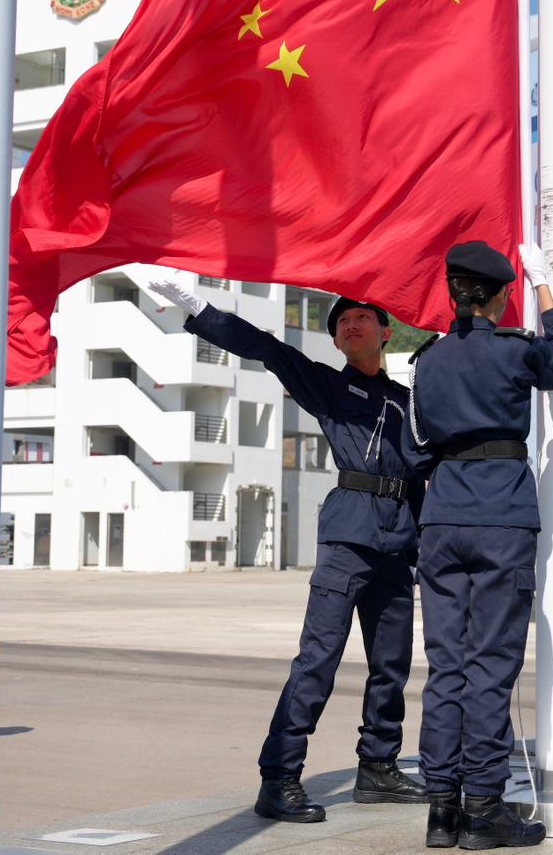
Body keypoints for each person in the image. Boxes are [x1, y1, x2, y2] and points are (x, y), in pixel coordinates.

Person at [147, 279, 429, 824]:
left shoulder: (409, 403)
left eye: (362, 317)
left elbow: (426, 471)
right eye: (342, 321)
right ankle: (279, 777)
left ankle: (378, 767)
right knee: (318, 660)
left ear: (387, 332)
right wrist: (200, 309)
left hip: (397, 543)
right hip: (348, 538)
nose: (350, 324)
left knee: (392, 665)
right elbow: (268, 349)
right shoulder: (327, 386)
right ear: (337, 341)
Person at [406, 240, 553, 849]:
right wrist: (547, 293)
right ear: (503, 294)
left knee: (446, 666)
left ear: (453, 293)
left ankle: (441, 809)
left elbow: (415, 449)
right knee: (490, 665)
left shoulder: (428, 360)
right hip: (500, 516)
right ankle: (483, 808)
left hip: (442, 520)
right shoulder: (514, 349)